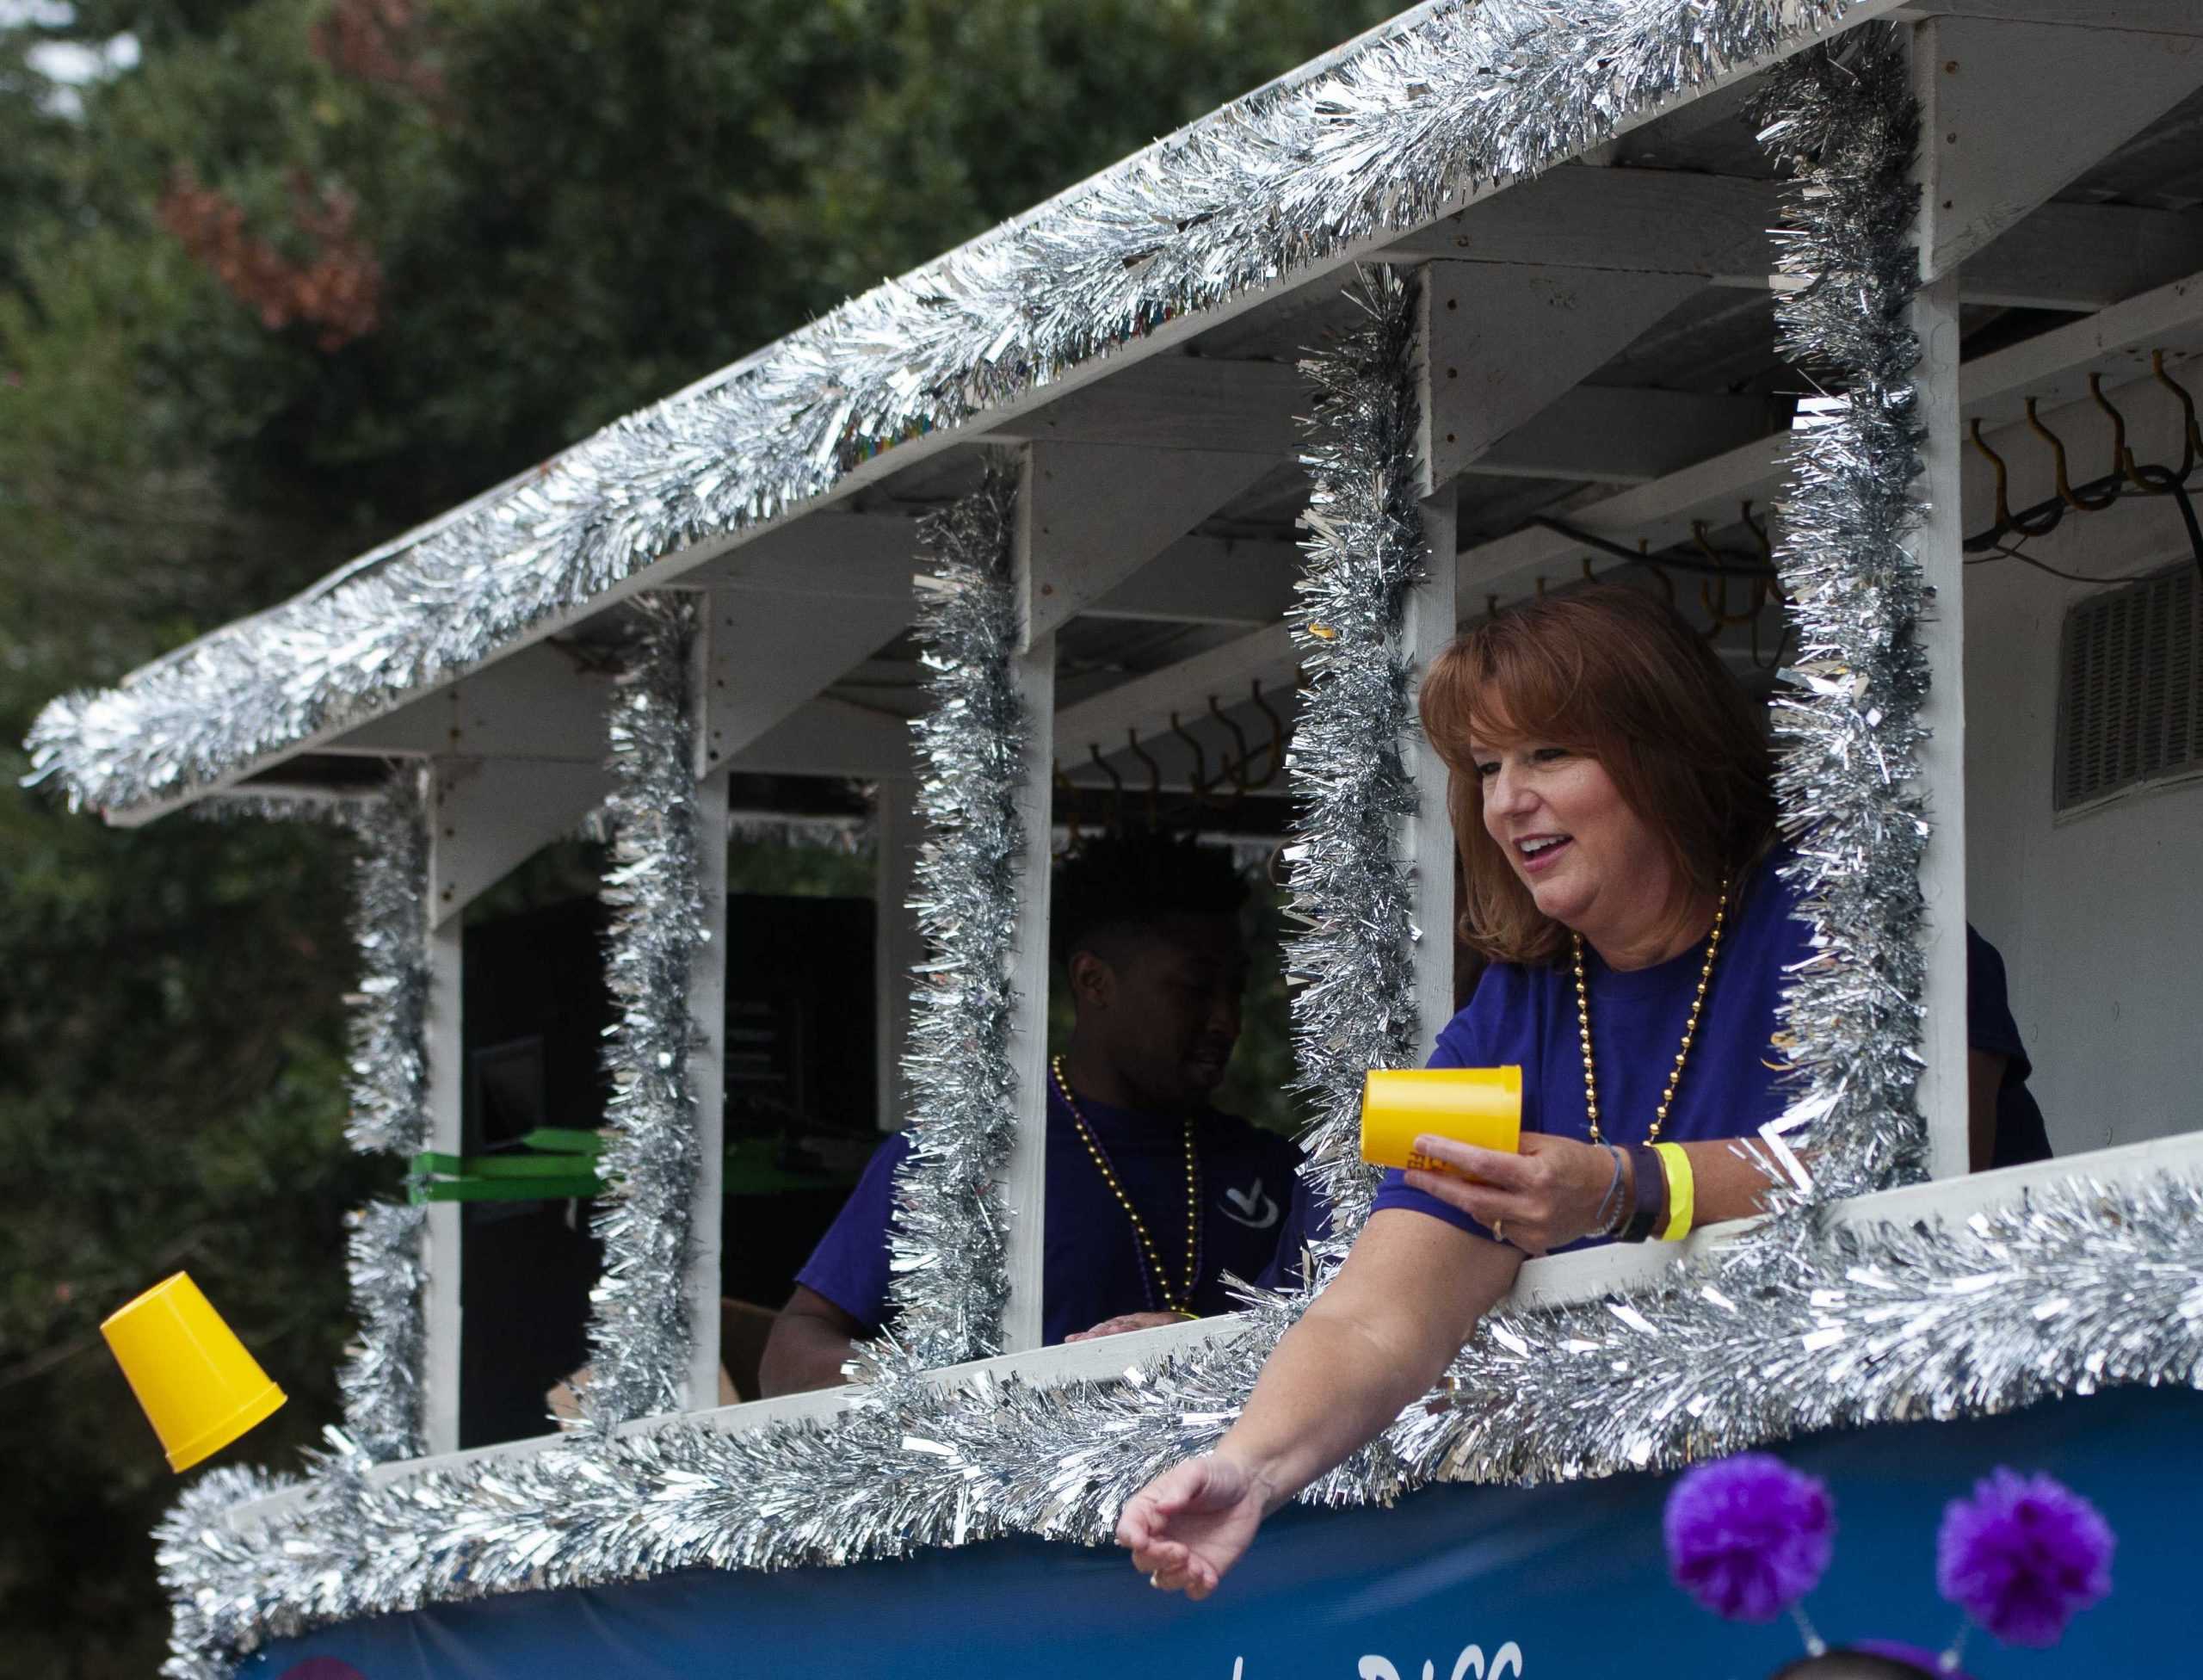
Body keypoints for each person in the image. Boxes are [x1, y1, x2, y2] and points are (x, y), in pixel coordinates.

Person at [1118, 584, 2047, 1597]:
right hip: (1667, 1551)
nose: (1508, 799)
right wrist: (1249, 1466)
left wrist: (1629, 1187)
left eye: (1549, 753)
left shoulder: (1853, 928)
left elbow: (1909, 1158)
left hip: (1938, 1500)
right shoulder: (1496, 1017)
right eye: (1485, 767)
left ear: (1666, 748)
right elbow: (1380, 1311)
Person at [757, 828, 1301, 1396]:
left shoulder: (1274, 1170)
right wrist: (931, 1390)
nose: (1226, 1021)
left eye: (1234, 991)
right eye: (1194, 989)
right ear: (1094, 981)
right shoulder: (968, 1156)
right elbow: (793, 1348)